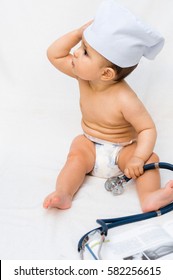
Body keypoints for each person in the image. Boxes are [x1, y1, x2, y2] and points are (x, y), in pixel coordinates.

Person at [43, 0, 173, 212]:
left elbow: (147, 128)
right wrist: (78, 33)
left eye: (85, 51)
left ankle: (150, 197)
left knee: (151, 158)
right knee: (77, 150)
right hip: (91, 146)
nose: (75, 52)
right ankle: (63, 193)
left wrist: (138, 158)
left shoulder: (125, 98)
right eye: (81, 46)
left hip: (123, 152)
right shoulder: (83, 76)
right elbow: (54, 54)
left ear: (106, 74)